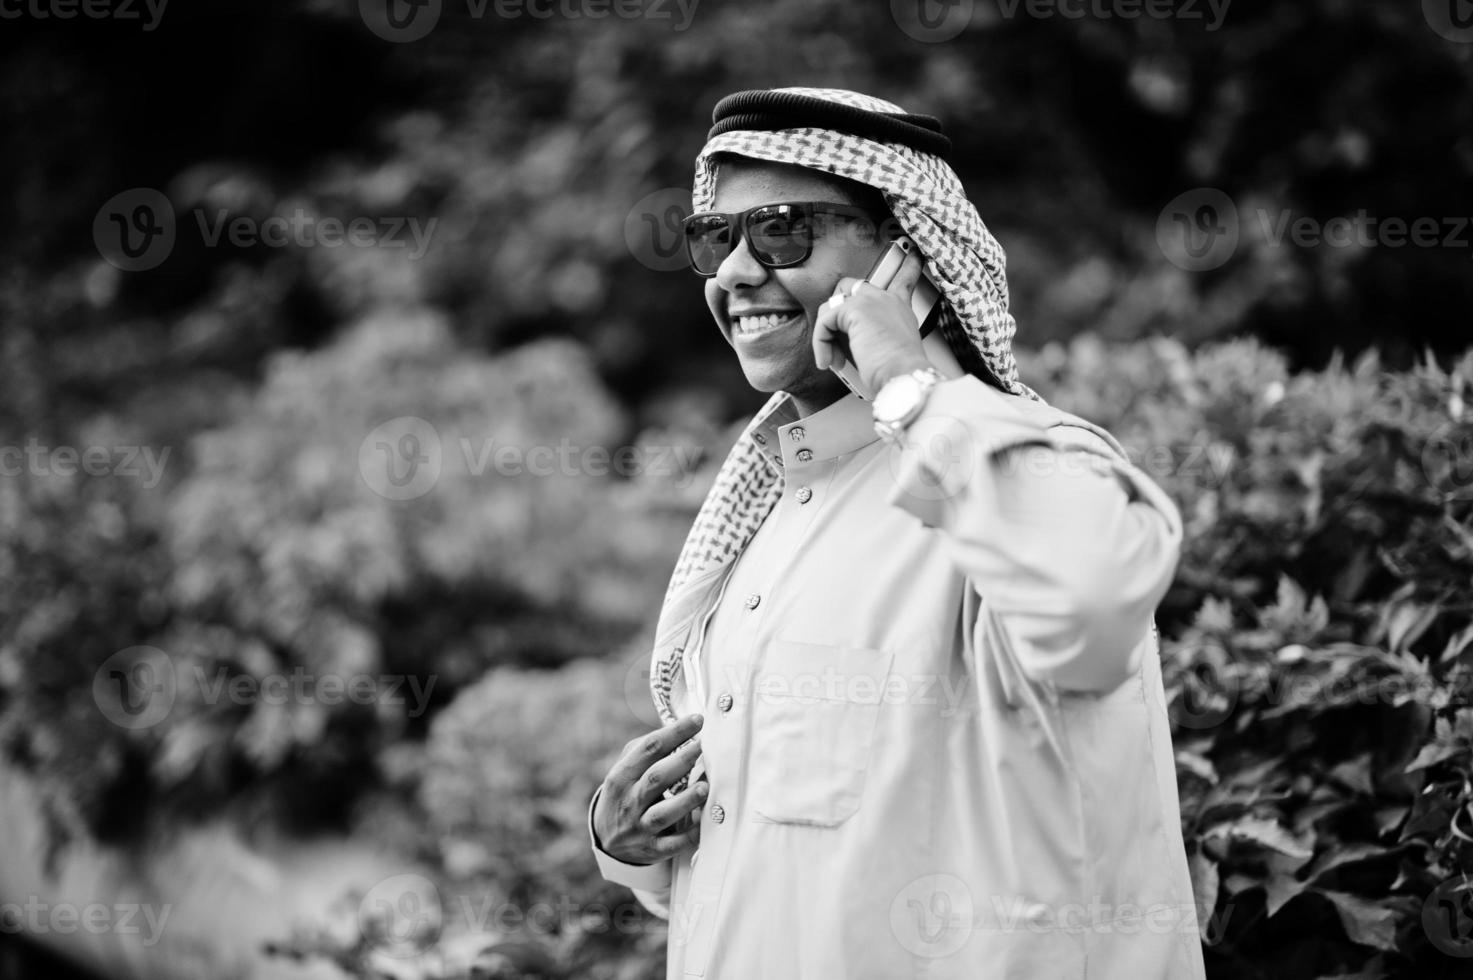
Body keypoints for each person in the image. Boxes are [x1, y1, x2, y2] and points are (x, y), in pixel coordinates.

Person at [587, 86, 1207, 979]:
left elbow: (1091, 606)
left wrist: (906, 383)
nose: (734, 272)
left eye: (782, 230)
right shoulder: (774, 510)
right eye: (714, 239)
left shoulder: (1029, 470)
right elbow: (790, 861)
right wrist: (631, 845)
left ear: (905, 263)